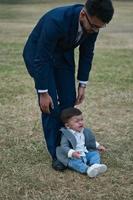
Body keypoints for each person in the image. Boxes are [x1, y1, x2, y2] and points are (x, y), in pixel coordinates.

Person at [23, 0, 114, 171]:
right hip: (39, 55)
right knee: (51, 106)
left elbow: (87, 53)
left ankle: (70, 144)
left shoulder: (93, 22)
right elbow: (42, 57)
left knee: (68, 101)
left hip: (62, 56)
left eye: (99, 28)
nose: (94, 31)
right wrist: (43, 91)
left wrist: (82, 83)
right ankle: (58, 154)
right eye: (93, 26)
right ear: (82, 15)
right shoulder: (56, 21)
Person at [56, 107, 107, 177]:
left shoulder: (84, 131)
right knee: (75, 163)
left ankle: (95, 165)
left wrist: (98, 146)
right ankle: (87, 170)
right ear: (67, 125)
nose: (80, 122)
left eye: (81, 120)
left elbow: (90, 140)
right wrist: (72, 153)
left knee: (94, 154)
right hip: (74, 156)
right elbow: (64, 146)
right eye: (77, 121)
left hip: (85, 152)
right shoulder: (66, 134)